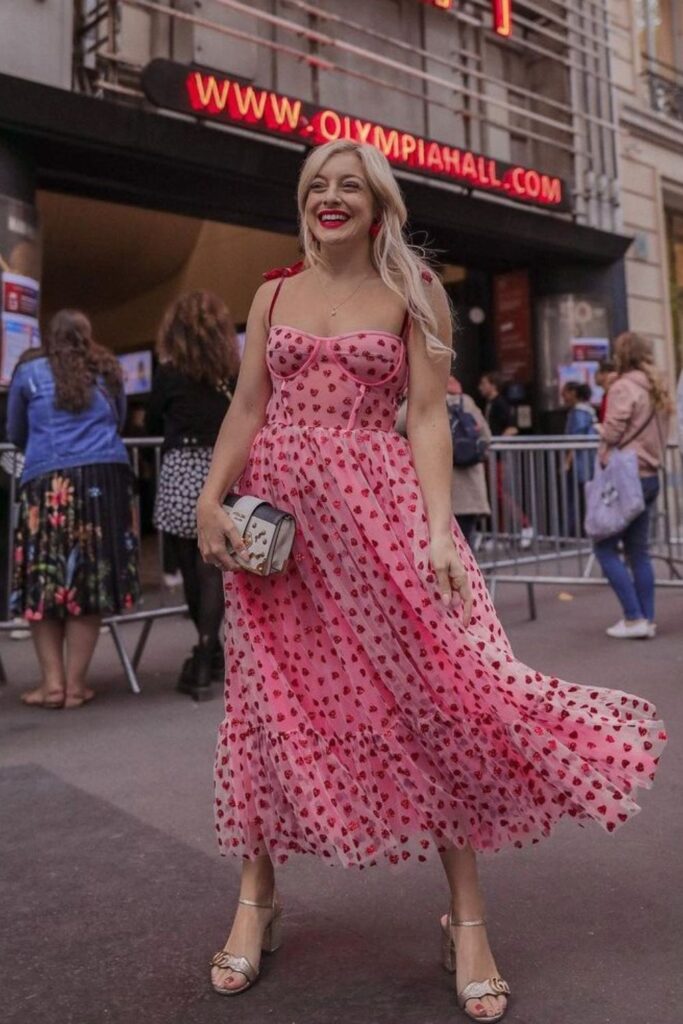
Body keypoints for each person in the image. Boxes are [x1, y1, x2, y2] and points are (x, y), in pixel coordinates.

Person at [196, 141, 666, 1023]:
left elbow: (426, 417)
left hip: (380, 525)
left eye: (348, 187)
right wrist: (211, 501)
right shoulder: (270, 293)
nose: (329, 198)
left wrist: (436, 530)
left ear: (379, 206)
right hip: (283, 535)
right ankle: (255, 901)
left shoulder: (415, 293)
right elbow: (249, 405)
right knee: (265, 708)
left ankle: (469, 919)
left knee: (433, 701)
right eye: (315, 186)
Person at [7, 309, 139, 708]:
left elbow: (15, 431)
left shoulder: (28, 373)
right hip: (101, 480)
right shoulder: (107, 371)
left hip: (46, 482)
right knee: (90, 579)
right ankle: (77, 685)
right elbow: (118, 421)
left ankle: (52, 684)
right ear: (88, 335)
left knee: (42, 580)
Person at [147, 291, 239, 700]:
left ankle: (203, 654)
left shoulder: (168, 372)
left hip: (182, 468)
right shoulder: (232, 371)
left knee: (189, 564)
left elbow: (151, 416)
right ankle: (210, 650)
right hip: (222, 469)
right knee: (214, 571)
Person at [594, 332, 671, 640]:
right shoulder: (657, 387)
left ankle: (633, 616)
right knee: (639, 551)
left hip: (627, 474)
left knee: (604, 547)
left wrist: (603, 433)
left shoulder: (623, 387)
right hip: (650, 472)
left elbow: (614, 429)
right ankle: (645, 619)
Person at [396, 375, 491, 549]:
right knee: (464, 549)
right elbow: (486, 436)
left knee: (438, 550)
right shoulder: (465, 400)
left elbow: (395, 425)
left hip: (438, 492)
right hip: (471, 491)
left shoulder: (425, 398)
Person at [478, 372, 532, 549]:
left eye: (484, 383)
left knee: (500, 493)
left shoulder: (500, 403)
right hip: (491, 455)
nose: (481, 387)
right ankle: (500, 534)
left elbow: (512, 428)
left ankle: (525, 525)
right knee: (495, 495)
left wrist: (495, 442)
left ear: (493, 385)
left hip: (497, 456)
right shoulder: (490, 403)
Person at [561, 381, 597, 535]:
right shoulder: (588, 411)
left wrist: (567, 461)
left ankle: (571, 530)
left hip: (580, 462)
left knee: (574, 497)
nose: (563, 397)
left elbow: (576, 438)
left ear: (573, 393)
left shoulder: (579, 413)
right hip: (588, 460)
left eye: (565, 393)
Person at [595, 358, 617, 423]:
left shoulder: (614, 396)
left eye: (597, 372)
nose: (594, 375)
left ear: (605, 374)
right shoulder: (605, 396)